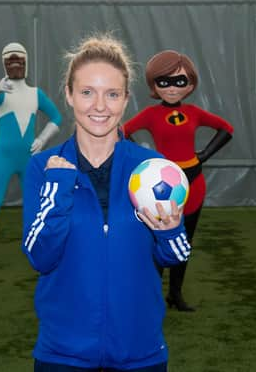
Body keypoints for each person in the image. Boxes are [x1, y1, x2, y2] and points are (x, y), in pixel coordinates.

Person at [21, 34, 191, 371]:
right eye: (87, 92)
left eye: (112, 94)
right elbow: (40, 256)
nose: (100, 106)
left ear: (126, 99)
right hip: (62, 355)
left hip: (139, 353)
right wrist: (58, 187)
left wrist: (170, 231)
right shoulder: (44, 168)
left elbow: (176, 255)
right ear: (69, 95)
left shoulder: (153, 169)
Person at [122, 50, 233, 311]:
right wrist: (145, 159)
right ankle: (151, 296)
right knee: (159, 239)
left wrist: (204, 155)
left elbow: (226, 129)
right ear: (153, 84)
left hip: (193, 182)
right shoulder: (150, 114)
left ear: (191, 84)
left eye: (179, 81)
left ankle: (175, 294)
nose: (172, 88)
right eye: (164, 81)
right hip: (160, 190)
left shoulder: (194, 112)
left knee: (184, 241)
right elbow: (122, 132)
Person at [0, 42, 62, 269]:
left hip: (29, 160)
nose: (15, 63)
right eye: (10, 60)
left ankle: (35, 247)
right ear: (3, 63)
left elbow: (56, 118)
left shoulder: (36, 94)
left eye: (19, 59)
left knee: (35, 203)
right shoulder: (2, 92)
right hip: (2, 158)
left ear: (26, 62)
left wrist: (43, 139)